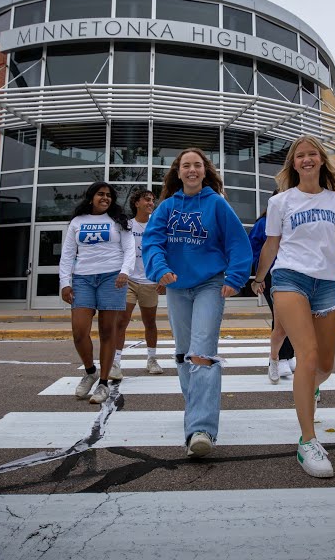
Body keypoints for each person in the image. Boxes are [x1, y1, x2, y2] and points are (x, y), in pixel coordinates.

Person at [251, 135, 335, 478]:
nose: (307, 159)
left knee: (324, 364)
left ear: (322, 161)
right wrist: (259, 278)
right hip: (289, 279)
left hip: (325, 285)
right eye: (300, 155)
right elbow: (271, 244)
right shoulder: (282, 201)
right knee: (307, 355)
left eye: (313, 154)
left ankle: (308, 390)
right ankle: (307, 442)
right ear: (293, 164)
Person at [142, 148, 252, 459]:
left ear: (205, 171)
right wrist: (159, 268)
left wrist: (235, 277)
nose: (192, 170)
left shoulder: (216, 203)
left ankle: (200, 430)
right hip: (177, 286)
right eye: (186, 165)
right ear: (178, 172)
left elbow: (237, 242)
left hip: (210, 284)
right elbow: (151, 241)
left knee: (201, 353)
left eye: (197, 165)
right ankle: (196, 413)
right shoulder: (166, 207)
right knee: (183, 353)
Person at [59, 182, 135, 405]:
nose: (106, 198)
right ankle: (90, 371)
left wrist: (125, 272)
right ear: (91, 197)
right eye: (101, 194)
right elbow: (68, 254)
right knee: (79, 331)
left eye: (109, 195)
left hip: (112, 278)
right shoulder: (77, 222)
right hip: (83, 279)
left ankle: (103, 383)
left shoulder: (120, 221)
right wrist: (65, 282)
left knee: (107, 331)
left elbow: (130, 249)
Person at [114, 187, 164, 377]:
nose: (151, 203)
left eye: (152, 200)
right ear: (136, 203)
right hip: (129, 280)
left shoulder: (157, 225)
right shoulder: (127, 225)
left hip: (150, 281)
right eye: (146, 200)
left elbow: (164, 251)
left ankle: (152, 359)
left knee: (149, 322)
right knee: (121, 322)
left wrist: (163, 277)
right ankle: (116, 362)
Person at [248, 191, 295, 384]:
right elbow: (254, 250)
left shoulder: (293, 222)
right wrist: (260, 276)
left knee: (294, 317)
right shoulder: (263, 224)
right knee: (281, 317)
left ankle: (289, 356)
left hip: (293, 274)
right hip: (271, 274)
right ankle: (279, 358)